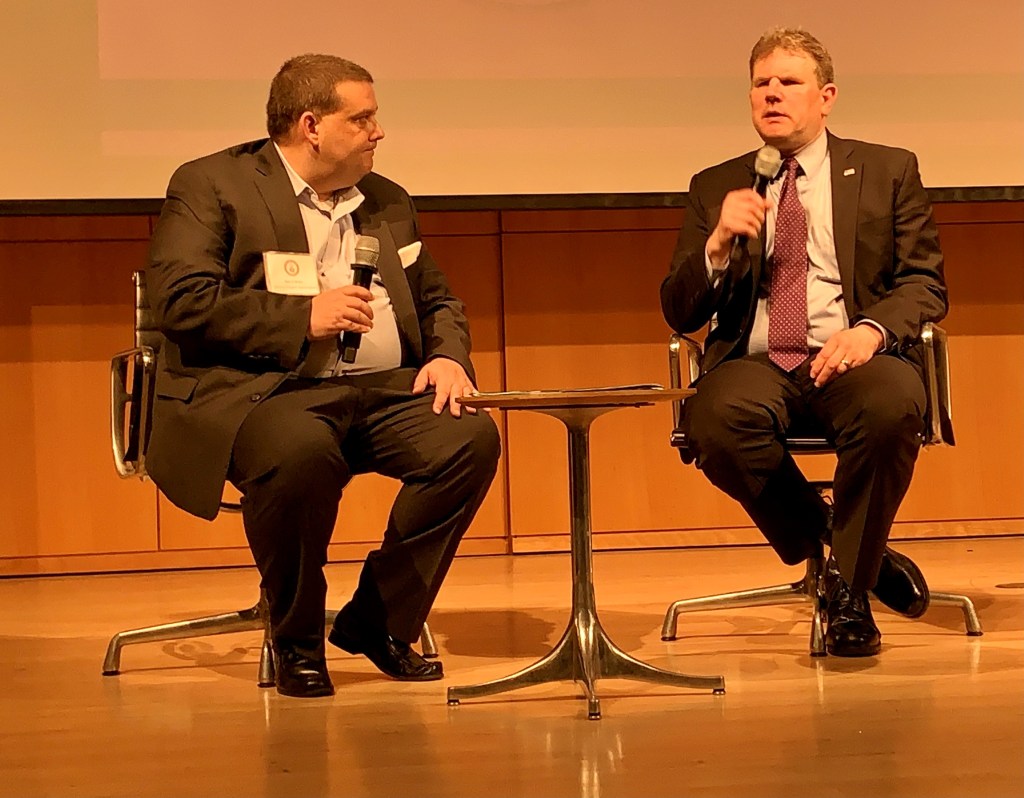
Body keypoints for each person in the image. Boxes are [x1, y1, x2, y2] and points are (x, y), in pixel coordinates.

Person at [146, 54, 501, 696]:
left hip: (378, 390)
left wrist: (448, 356)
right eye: (362, 118)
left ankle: (380, 620)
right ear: (311, 126)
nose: (378, 132)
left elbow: (438, 299)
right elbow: (181, 300)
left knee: (466, 442)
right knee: (299, 451)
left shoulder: (387, 199)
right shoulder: (213, 185)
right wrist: (301, 316)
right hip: (263, 390)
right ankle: (298, 641)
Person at [660, 28, 947, 657]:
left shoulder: (886, 168)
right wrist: (713, 251)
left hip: (853, 353)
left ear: (827, 97)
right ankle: (842, 548)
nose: (772, 94)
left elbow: (925, 284)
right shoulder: (717, 185)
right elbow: (679, 310)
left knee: (892, 405)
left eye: (788, 82)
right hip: (757, 360)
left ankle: (849, 596)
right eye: (761, 83)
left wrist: (870, 332)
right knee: (714, 419)